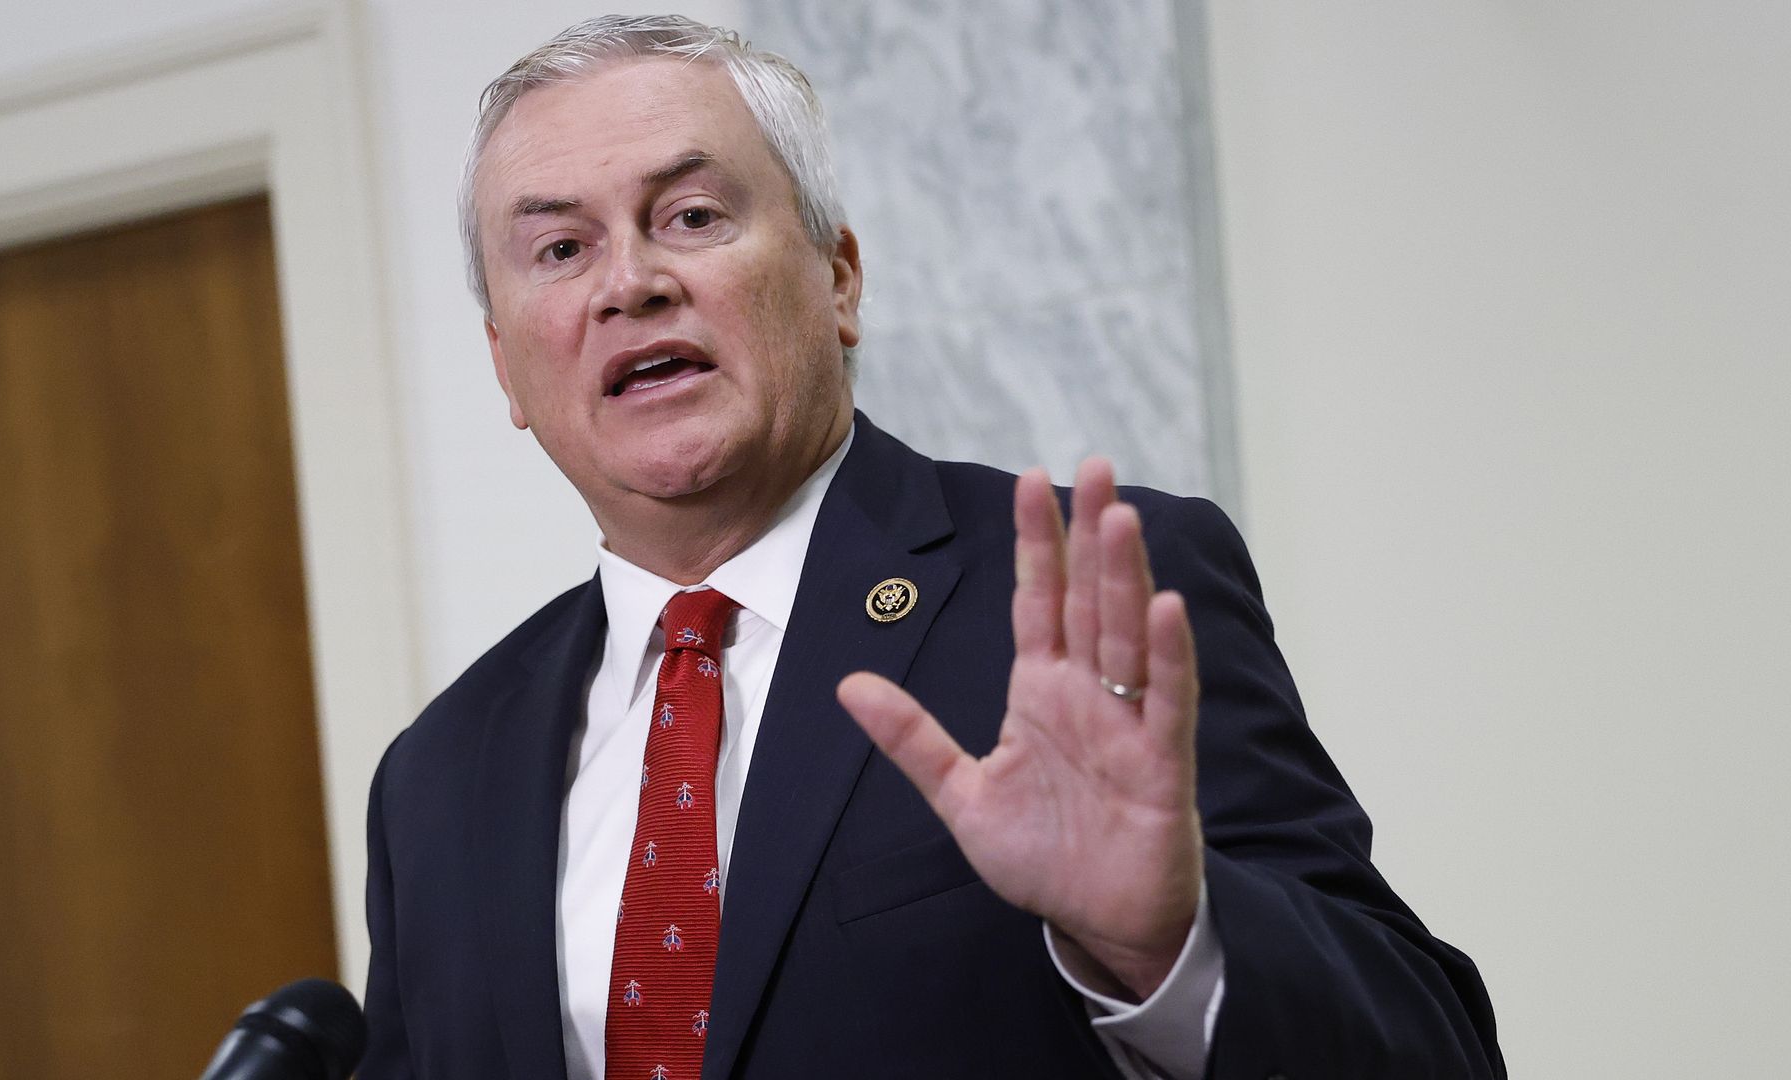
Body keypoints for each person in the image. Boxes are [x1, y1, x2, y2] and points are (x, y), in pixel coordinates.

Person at [361, 14, 1503, 1080]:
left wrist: (1170, 942)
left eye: (693, 217)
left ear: (839, 278)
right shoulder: (439, 777)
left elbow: (1433, 1052)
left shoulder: (1084, 593)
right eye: (560, 249)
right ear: (508, 365)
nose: (632, 283)